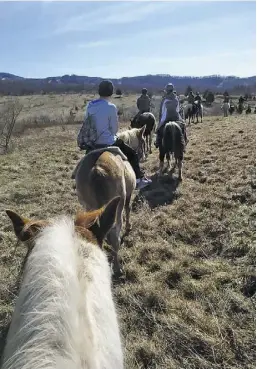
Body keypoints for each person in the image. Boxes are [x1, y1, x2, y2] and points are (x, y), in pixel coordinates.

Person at [77, 80, 152, 190]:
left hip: (92, 143)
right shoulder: (111, 107)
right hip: (108, 142)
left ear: (99, 91)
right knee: (132, 155)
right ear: (111, 92)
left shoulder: (90, 105)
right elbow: (114, 130)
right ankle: (138, 180)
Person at [155, 83, 187, 148]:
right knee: (183, 125)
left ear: (166, 90)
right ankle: (185, 139)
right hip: (176, 116)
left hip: (166, 116)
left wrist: (161, 117)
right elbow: (178, 109)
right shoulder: (176, 98)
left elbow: (163, 110)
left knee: (159, 128)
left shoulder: (164, 99)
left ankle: (157, 141)